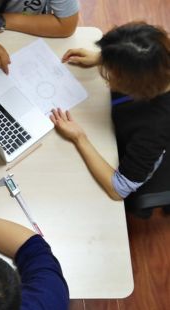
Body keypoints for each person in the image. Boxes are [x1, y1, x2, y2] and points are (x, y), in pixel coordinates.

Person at [50, 22, 170, 207]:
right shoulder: (161, 58)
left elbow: (118, 190)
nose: (108, 81)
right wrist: (104, 57)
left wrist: (80, 138)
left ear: (136, 86)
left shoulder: (153, 129)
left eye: (112, 75)